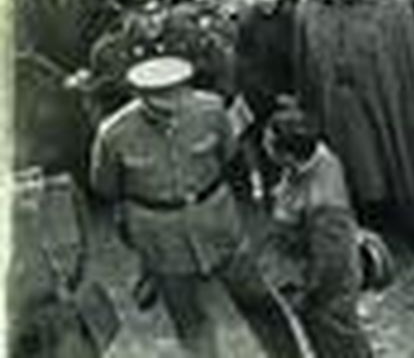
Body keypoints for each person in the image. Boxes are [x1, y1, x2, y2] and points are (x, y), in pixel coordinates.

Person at [89, 57, 300, 358]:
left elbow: (228, 155)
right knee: (190, 322)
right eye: (161, 98)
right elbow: (106, 186)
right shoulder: (114, 134)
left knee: (259, 301)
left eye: (178, 92)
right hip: (162, 237)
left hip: (217, 222)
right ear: (139, 96)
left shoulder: (211, 110)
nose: (173, 104)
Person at [292, 0, 414, 246]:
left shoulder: (392, 6)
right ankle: (364, 221)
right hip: (336, 108)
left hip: (385, 103)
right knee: (351, 165)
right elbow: (303, 63)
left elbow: (409, 67)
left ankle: (413, 221)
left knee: (395, 156)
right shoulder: (308, 8)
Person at [262, 107, 375, 358]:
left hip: (326, 294)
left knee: (339, 345)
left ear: (288, 155)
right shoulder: (319, 157)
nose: (264, 145)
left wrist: (305, 294)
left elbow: (329, 263)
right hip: (316, 277)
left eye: (269, 141)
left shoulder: (323, 203)